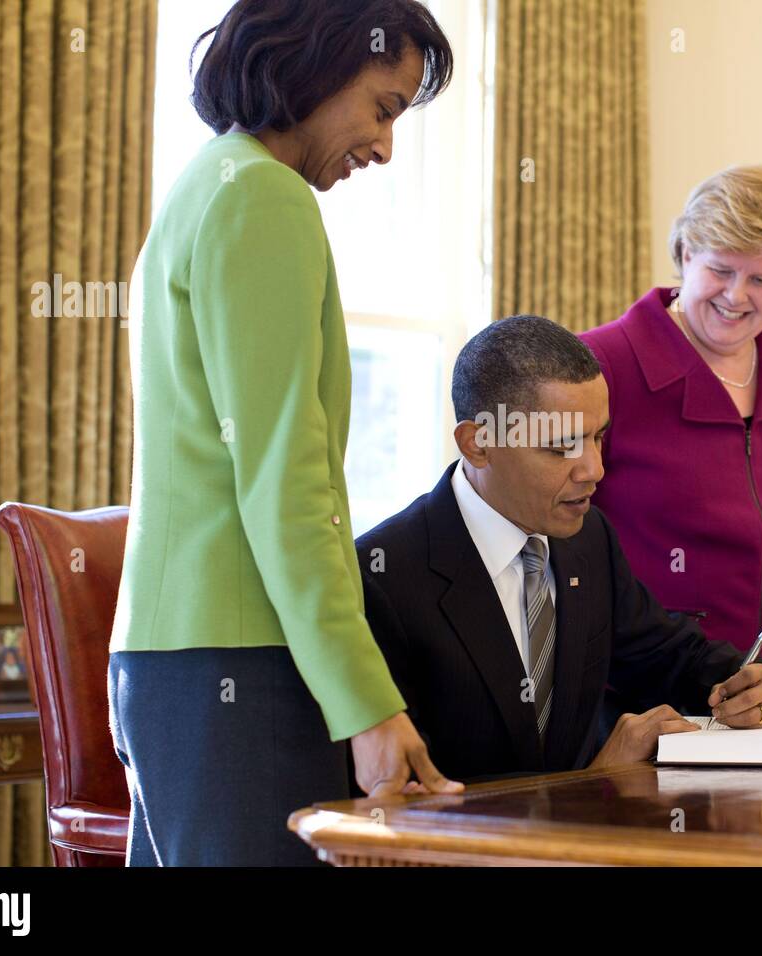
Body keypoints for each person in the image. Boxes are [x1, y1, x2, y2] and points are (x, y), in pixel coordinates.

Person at [107, 0, 461, 867]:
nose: (384, 147)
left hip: (173, 659)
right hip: (240, 658)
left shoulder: (207, 182)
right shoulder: (263, 196)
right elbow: (284, 478)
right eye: (383, 108)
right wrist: (369, 707)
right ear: (314, 61)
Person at [356, 316, 762, 783]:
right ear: (478, 444)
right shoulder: (380, 579)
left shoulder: (589, 538)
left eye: (598, 437)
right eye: (561, 448)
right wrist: (596, 780)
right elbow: (411, 812)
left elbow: (675, 656)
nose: (594, 469)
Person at [579, 166, 762, 678]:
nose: (736, 296)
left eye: (761, 279)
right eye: (721, 270)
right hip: (639, 688)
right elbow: (555, 539)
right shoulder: (600, 362)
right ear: (687, 254)